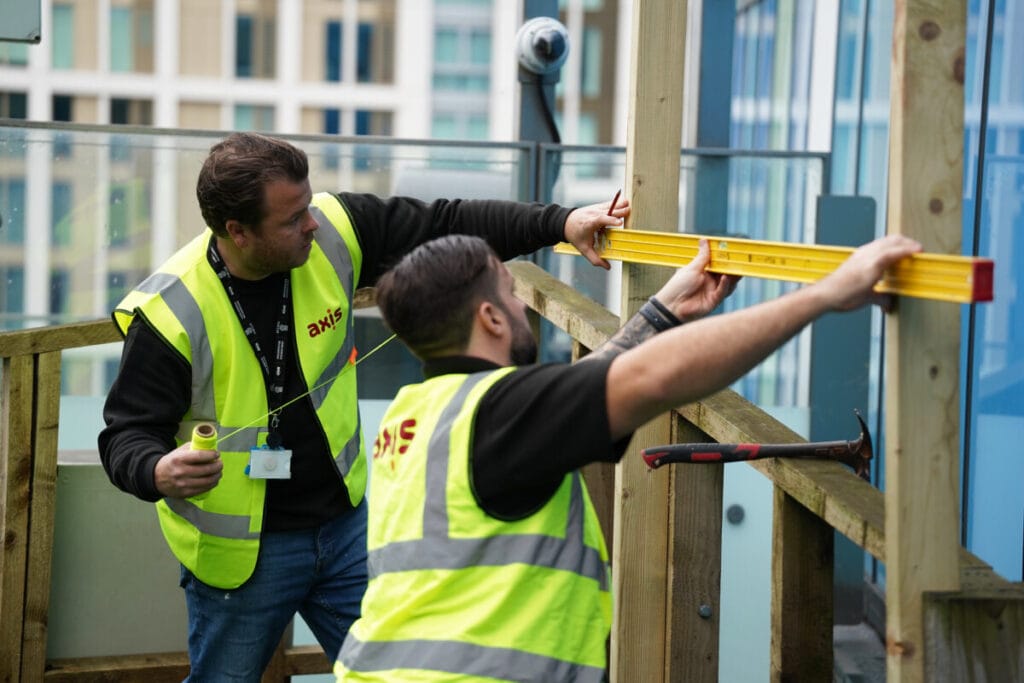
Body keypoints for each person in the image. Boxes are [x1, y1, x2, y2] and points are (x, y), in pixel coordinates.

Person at [97, 131, 626, 681]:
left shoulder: (330, 229)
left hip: (346, 529)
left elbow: (445, 224)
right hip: (246, 559)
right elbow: (125, 435)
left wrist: (560, 223)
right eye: (291, 219)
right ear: (238, 231)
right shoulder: (171, 311)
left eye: (308, 205)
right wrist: (157, 470)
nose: (312, 224)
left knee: (406, 669)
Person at [333, 231, 923, 682]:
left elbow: (584, 387)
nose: (520, 309)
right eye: (510, 297)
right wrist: (825, 293)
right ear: (488, 318)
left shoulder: (418, 414)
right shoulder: (501, 414)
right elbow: (653, 378)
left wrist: (661, 314)